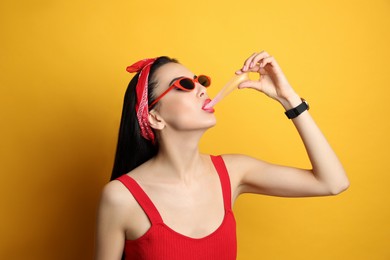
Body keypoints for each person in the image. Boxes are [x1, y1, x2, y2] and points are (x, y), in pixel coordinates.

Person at [95, 51, 349, 260]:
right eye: (184, 85)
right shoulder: (121, 197)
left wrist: (288, 98)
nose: (202, 90)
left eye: (200, 81)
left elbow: (332, 182)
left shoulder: (234, 172)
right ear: (154, 117)